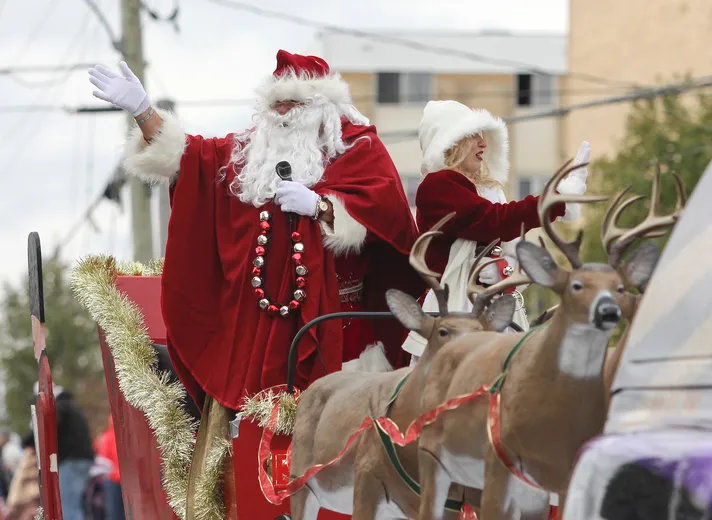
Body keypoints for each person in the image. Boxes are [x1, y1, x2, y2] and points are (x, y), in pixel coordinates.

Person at [86, 50, 425, 414]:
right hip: (258, 336)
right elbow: (189, 159)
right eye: (275, 103)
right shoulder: (246, 155)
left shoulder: (358, 148)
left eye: (293, 102)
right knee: (249, 441)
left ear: (323, 105)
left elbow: (388, 214)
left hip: (339, 331)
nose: (282, 111)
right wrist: (144, 112)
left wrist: (321, 208)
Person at [402, 100, 590, 363]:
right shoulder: (437, 187)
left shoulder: (485, 192)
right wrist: (556, 200)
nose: (483, 144)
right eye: (473, 136)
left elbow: (509, 245)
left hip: (490, 312)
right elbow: (493, 221)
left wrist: (504, 270)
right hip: (454, 317)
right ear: (450, 143)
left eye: (483, 137)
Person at [31, 383, 95, 520]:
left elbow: (48, 427)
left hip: (71, 461)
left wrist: (29, 440)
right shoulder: (70, 406)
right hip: (82, 459)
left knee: (69, 506)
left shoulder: (58, 407)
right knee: (76, 504)